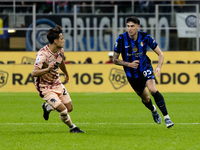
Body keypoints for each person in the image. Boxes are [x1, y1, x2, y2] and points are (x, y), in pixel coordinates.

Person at [113, 16, 174, 128]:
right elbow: (115, 60)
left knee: (152, 90)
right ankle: (153, 110)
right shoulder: (121, 39)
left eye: (132, 26)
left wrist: (159, 67)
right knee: (145, 99)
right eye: (128, 26)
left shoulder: (145, 37)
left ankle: (167, 118)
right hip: (131, 74)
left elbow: (160, 54)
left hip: (145, 68)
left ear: (137, 26)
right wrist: (129, 64)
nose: (129, 29)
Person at [31, 25, 84, 133]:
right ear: (55, 41)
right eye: (62, 39)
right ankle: (72, 127)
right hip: (45, 87)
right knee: (63, 110)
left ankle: (48, 107)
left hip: (57, 83)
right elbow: (34, 73)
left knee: (69, 108)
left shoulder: (60, 50)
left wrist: (66, 73)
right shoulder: (42, 55)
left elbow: (61, 61)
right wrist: (47, 70)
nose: (64, 40)